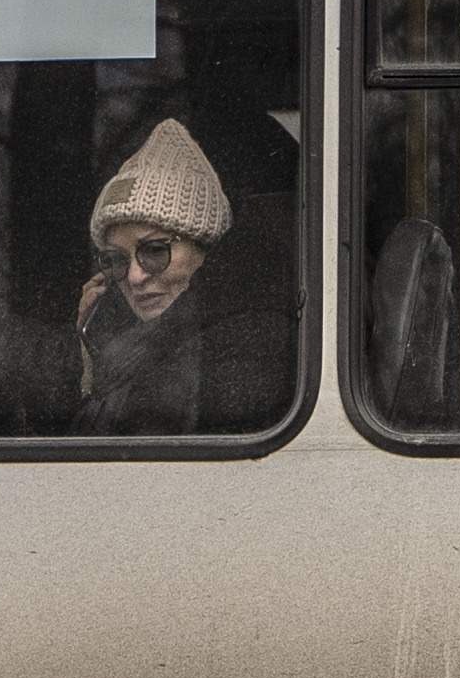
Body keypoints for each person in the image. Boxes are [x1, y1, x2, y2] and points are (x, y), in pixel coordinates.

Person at [65, 118, 295, 438]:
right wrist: (90, 358)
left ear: (206, 250)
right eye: (116, 259)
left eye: (155, 250)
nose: (134, 277)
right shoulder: (135, 347)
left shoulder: (235, 342)